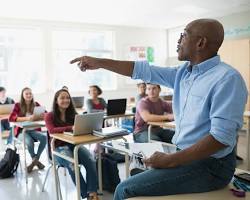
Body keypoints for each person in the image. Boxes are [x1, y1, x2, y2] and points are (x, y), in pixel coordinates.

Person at [70, 18, 248, 199]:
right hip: (186, 155)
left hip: (211, 166)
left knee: (124, 189)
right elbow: (141, 70)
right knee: (136, 174)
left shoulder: (227, 79)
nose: (178, 40)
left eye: (184, 35)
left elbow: (220, 138)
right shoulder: (183, 73)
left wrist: (170, 161)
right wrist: (99, 62)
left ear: (200, 43)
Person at [44, 89, 99, 200]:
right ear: (56, 100)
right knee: (72, 165)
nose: (66, 100)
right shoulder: (49, 115)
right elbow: (52, 130)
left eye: (68, 98)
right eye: (62, 98)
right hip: (57, 149)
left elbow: (79, 129)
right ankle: (86, 195)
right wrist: (70, 128)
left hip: (74, 145)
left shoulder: (73, 115)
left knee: (91, 160)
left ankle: (92, 193)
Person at [9, 87, 46, 173]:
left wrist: (41, 116)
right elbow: (11, 118)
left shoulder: (36, 104)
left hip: (33, 130)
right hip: (22, 131)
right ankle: (36, 161)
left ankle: (34, 161)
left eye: (30, 93)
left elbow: (46, 114)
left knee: (44, 138)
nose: (29, 95)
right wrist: (28, 118)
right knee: (29, 142)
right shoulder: (18, 105)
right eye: (27, 94)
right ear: (23, 95)